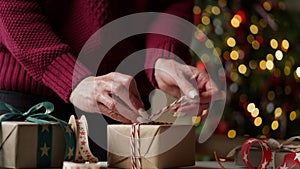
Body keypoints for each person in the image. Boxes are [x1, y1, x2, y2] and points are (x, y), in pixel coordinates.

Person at [0, 0, 220, 159]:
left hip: (122, 108)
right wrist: (70, 76)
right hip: (31, 105)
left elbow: (170, 4)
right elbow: (11, 7)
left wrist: (163, 58)